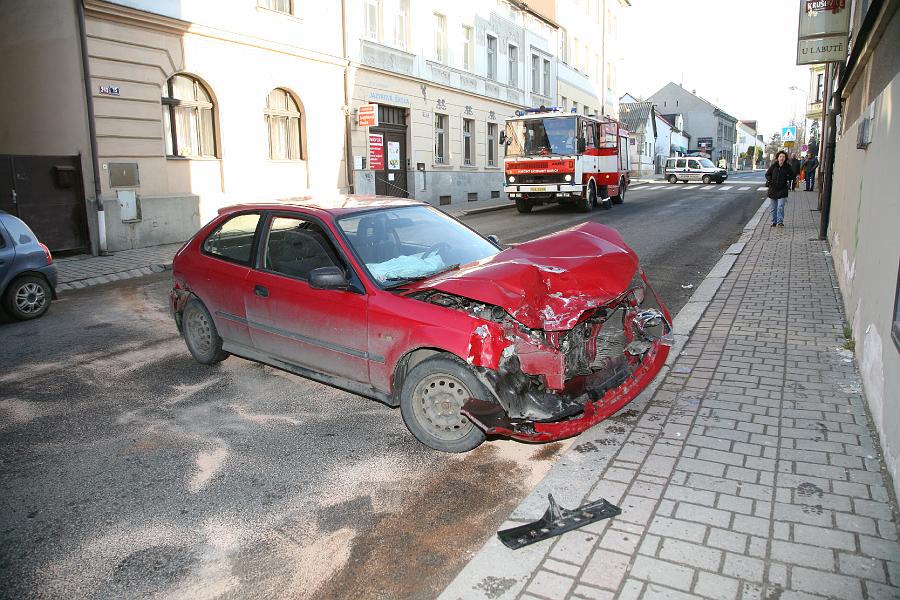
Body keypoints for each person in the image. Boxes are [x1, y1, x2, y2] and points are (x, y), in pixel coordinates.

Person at [766, 150, 794, 227]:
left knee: (780, 206)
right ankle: (774, 222)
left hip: (783, 189)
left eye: (783, 157)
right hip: (773, 189)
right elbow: (767, 174)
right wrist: (770, 179)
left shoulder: (787, 167)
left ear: (785, 158)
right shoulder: (773, 166)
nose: (782, 158)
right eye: (780, 157)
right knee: (773, 208)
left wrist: (787, 177)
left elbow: (792, 175)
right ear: (777, 158)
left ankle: (780, 222)